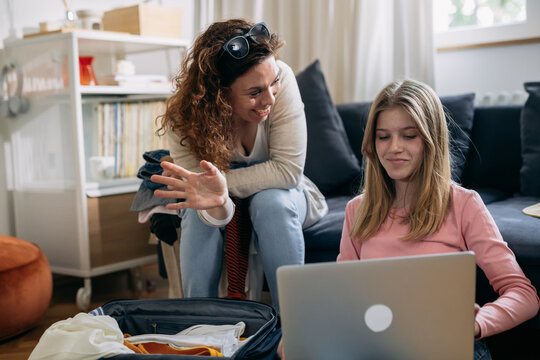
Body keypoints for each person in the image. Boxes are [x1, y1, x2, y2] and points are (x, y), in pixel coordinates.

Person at [278, 79, 539, 360]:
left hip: (446, 347)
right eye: (384, 136)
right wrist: (305, 332)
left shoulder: (464, 204)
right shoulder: (357, 210)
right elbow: (345, 299)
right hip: (377, 347)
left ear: (430, 140)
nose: (394, 148)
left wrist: (476, 324)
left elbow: (523, 294)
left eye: (409, 135)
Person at [150, 19, 327, 308]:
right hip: (217, 200)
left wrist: (223, 184)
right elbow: (202, 192)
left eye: (273, 84)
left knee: (271, 202)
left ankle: (293, 322)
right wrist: (215, 195)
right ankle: (198, 323)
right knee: (198, 213)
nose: (269, 99)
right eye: (254, 92)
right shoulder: (184, 117)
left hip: (284, 195)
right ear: (220, 95)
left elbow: (288, 171)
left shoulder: (282, 78)